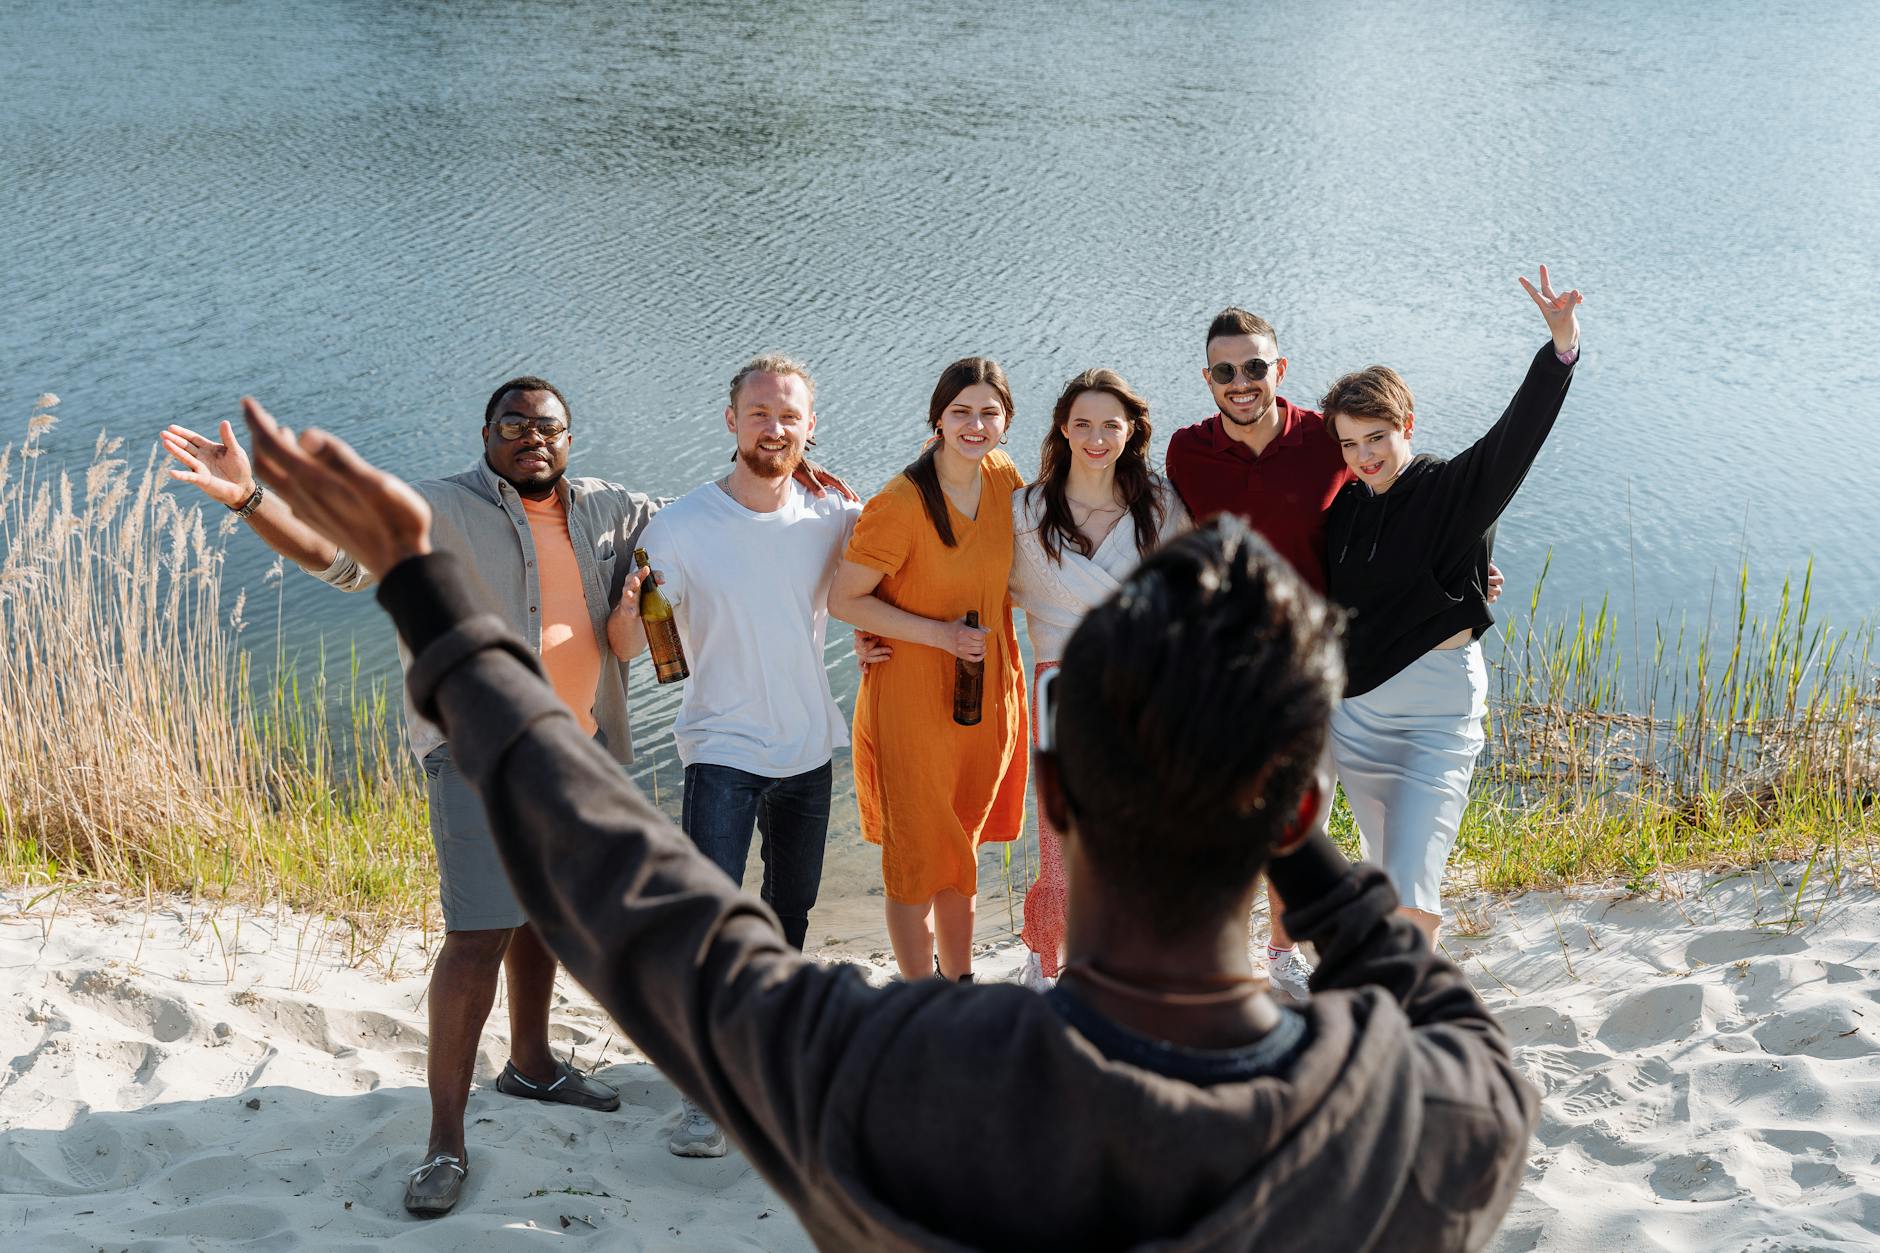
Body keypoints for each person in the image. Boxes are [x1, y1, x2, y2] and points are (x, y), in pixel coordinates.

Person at [239, 402, 1540, 1250]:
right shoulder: (1440, 1112)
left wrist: (431, 602)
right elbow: (1412, 976)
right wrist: (1266, 778)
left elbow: (633, 898)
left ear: (1060, 795)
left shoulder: (906, 1079)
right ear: (1297, 808)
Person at [161, 382, 849, 1215]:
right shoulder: (440, 509)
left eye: (548, 426)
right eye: (514, 425)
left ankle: (531, 1062)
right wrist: (250, 496)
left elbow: (734, 502)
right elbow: (337, 556)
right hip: (477, 751)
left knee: (549, 913)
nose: (533, 438)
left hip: (577, 750)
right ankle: (444, 1141)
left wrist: (811, 472)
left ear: (569, 436)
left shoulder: (610, 509)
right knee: (477, 935)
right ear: (486, 434)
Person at [1167, 309, 1508, 999]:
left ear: (1278, 370)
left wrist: (1470, 572)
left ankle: (1285, 955)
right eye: (1226, 371)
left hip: (1323, 672)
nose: (1242, 383)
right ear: (1207, 379)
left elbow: (1411, 505)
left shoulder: (1323, 442)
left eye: (1255, 367)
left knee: (1303, 824)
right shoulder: (1185, 452)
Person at [623, 354, 869, 1159]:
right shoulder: (682, 527)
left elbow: (877, 582)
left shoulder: (832, 514)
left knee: (789, 914)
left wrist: (883, 643)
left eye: (789, 415)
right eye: (759, 413)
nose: (775, 428)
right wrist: (631, 610)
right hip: (721, 745)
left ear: (810, 425)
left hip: (806, 744)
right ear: (730, 421)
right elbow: (632, 644)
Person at [1322, 267, 1582, 944]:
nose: (1364, 456)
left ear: (1406, 424)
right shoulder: (1343, 513)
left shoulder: (1450, 490)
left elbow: (1515, 437)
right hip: (1361, 720)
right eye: (1349, 444)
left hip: (1439, 715)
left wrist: (1559, 349)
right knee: (1387, 876)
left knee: (1412, 881)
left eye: (1375, 436)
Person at [827, 357, 1028, 983]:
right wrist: (938, 635)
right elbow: (844, 599)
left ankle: (958, 982)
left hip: (986, 688)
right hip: (912, 697)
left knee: (961, 838)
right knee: (918, 849)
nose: (975, 424)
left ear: (1006, 421)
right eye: (960, 412)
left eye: (988, 413)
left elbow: (1014, 577)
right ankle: (919, 997)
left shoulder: (1002, 478)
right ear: (937, 419)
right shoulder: (899, 503)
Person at [1007, 368, 1188, 986]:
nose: (1095, 437)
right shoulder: (1027, 510)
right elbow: (965, 581)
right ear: (1062, 427)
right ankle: (1048, 960)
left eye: (1110, 424)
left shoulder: (1158, 504)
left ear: (1131, 430)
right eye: (1082, 423)